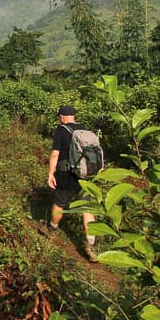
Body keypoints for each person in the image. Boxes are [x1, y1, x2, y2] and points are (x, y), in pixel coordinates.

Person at [45, 105, 98, 262]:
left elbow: (55, 154)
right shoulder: (86, 130)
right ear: (74, 116)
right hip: (86, 175)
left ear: (62, 117)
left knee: (60, 203)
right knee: (87, 208)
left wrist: (51, 173)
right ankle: (91, 245)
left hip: (67, 174)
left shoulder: (61, 130)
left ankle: (52, 229)